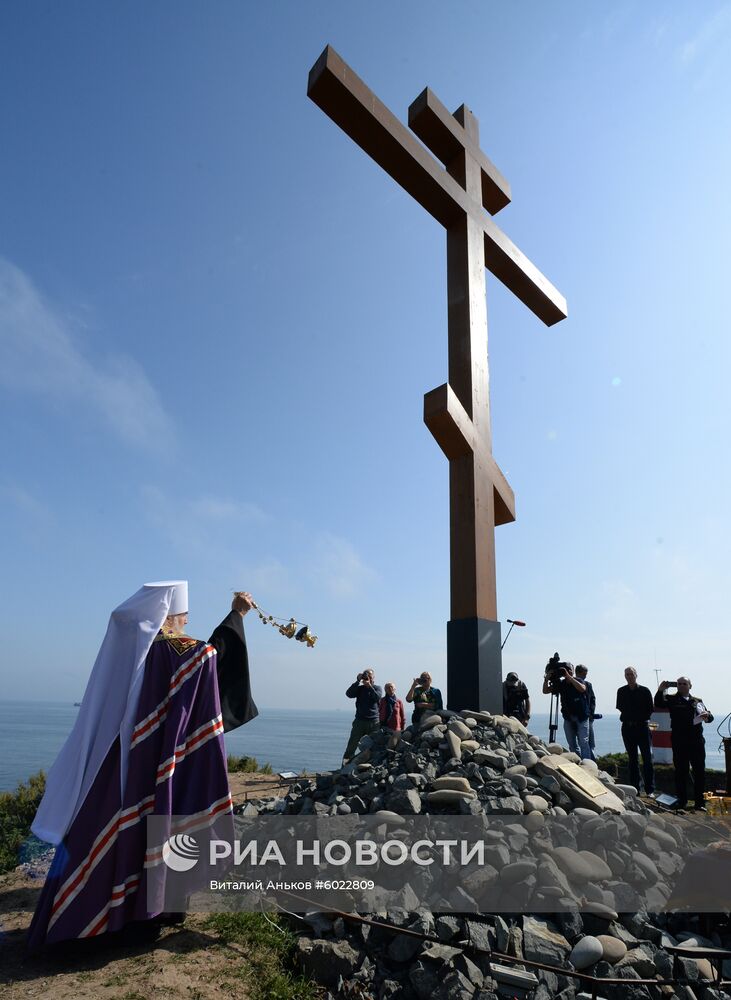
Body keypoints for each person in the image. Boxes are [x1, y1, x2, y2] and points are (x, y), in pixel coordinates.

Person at [27, 581, 258, 952]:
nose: (185, 622)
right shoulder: (181, 650)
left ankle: (91, 920)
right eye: (184, 615)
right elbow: (210, 659)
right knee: (163, 826)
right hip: (162, 760)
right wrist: (237, 615)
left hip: (117, 762)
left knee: (111, 830)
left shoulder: (131, 650)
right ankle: (151, 913)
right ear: (173, 614)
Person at [654, 676, 714, 811]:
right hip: (679, 741)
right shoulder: (672, 699)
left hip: (696, 741)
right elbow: (659, 703)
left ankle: (700, 803)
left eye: (684, 683)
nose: (681, 686)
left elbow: (709, 717)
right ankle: (682, 801)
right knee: (681, 772)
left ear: (690, 686)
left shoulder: (697, 701)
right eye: (679, 684)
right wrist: (660, 690)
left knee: (699, 772)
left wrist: (707, 716)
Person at [616, 666, 655, 795]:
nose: (629, 676)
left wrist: (636, 715)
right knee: (632, 759)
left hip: (642, 727)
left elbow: (650, 709)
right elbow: (621, 708)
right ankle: (635, 789)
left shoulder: (645, 691)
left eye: (631, 674)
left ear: (636, 675)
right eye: (627, 674)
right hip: (627, 728)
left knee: (647, 758)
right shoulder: (621, 691)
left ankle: (650, 789)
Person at [542, 659, 591, 759]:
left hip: (582, 717)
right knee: (572, 743)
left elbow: (582, 688)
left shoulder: (579, 681)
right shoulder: (561, 684)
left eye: (569, 671)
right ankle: (577, 761)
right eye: (565, 671)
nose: (567, 673)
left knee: (583, 742)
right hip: (568, 717)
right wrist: (546, 680)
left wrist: (569, 677)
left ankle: (587, 764)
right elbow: (545, 691)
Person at [343, 669, 383, 763]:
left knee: (373, 746)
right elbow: (349, 694)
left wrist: (369, 686)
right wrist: (357, 681)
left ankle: (370, 766)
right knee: (352, 745)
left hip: (374, 722)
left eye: (370, 676)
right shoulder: (360, 689)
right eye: (366, 676)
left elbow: (377, 697)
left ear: (373, 677)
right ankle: (345, 766)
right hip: (359, 721)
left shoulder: (377, 688)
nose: (368, 677)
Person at [575, 665, 596, 761]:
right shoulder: (571, 684)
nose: (585, 676)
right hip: (576, 716)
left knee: (589, 742)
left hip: (587, 716)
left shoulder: (588, 684)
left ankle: (590, 762)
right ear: (578, 673)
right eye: (584, 674)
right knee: (582, 741)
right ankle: (583, 760)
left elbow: (592, 700)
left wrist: (591, 714)